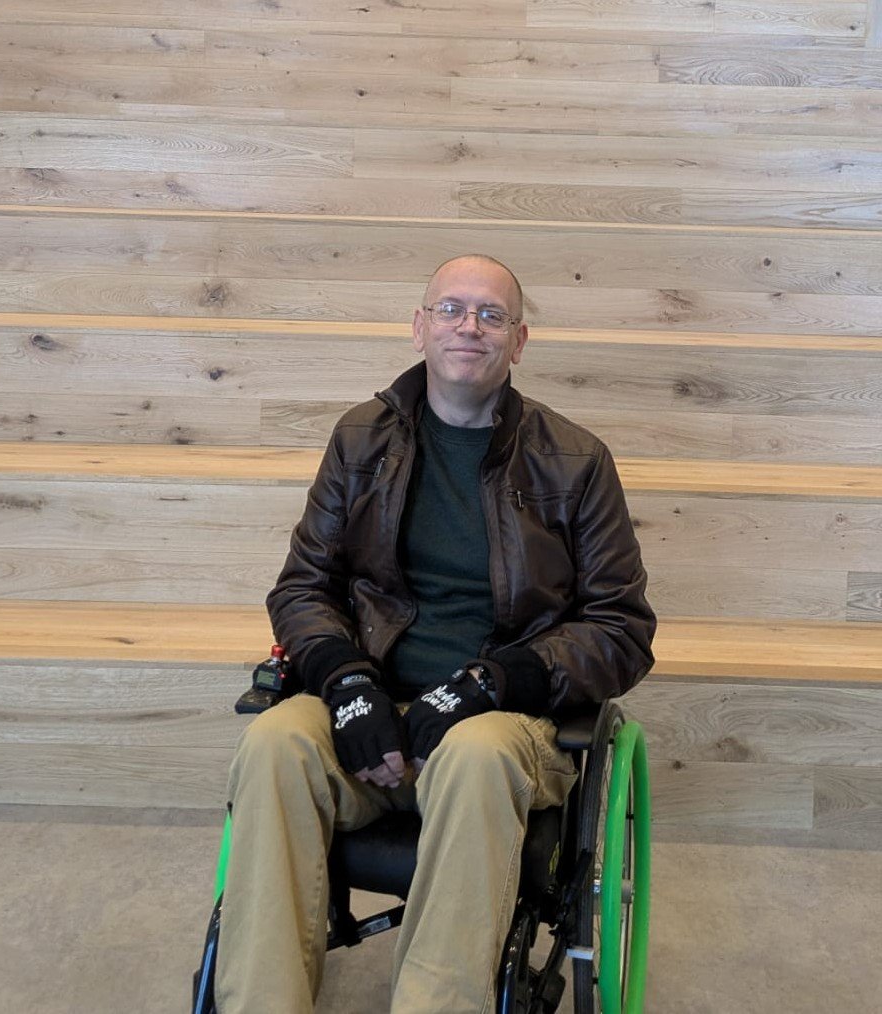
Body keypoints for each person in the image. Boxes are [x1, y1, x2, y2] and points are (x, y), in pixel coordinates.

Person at [215, 254, 656, 1013]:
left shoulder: (576, 461)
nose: (469, 326)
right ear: (420, 327)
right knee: (274, 742)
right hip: (377, 706)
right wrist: (348, 682)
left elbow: (621, 629)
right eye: (451, 309)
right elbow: (304, 587)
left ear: (518, 342)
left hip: (504, 726)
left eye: (491, 315)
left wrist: (490, 682)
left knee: (477, 755)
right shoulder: (361, 440)